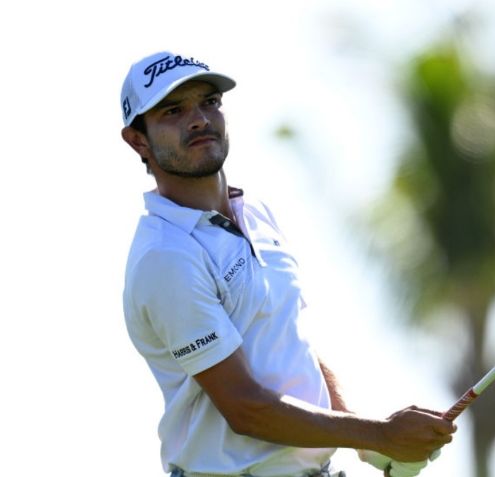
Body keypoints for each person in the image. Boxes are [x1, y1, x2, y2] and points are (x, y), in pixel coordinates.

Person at [120, 51, 456, 477]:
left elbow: (288, 349)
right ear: (138, 140)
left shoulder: (254, 212)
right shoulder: (165, 257)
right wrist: (377, 434)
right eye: (173, 111)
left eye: (209, 102)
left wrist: (366, 442)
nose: (199, 119)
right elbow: (246, 409)